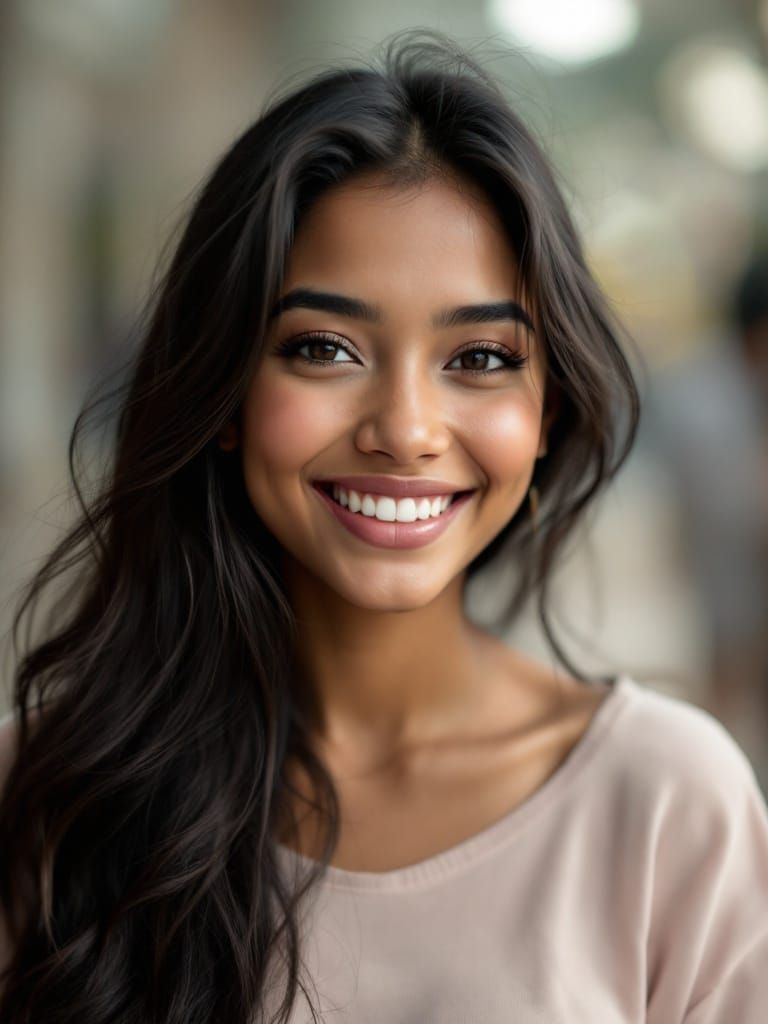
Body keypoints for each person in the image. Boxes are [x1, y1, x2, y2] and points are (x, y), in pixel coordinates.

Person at [1, 30, 767, 1024]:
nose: (405, 429)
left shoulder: (667, 806)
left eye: (481, 357)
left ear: (547, 414)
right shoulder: (46, 793)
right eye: (323, 347)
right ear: (225, 393)